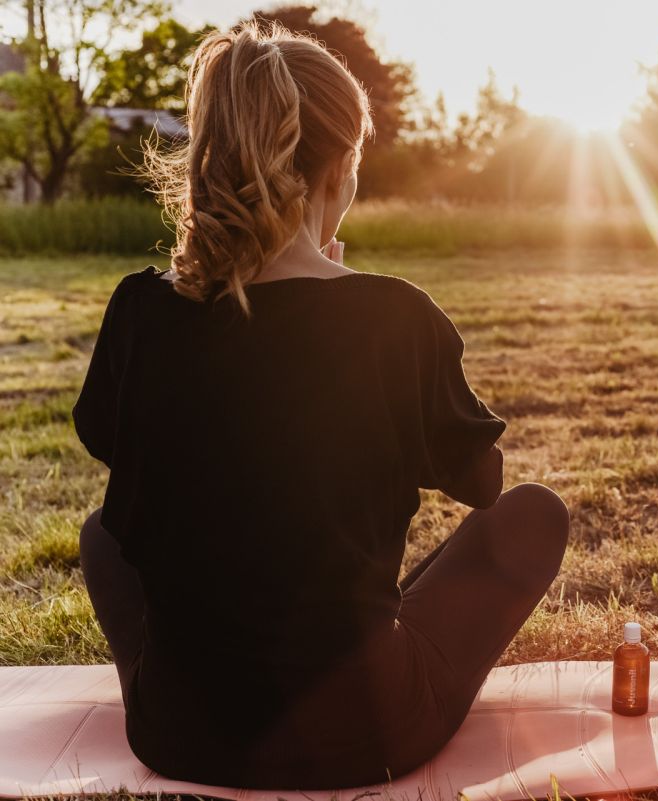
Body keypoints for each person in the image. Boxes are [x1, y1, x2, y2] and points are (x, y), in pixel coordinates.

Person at [72, 23, 569, 789]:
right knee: (536, 513)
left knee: (103, 534)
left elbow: (111, 440)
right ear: (340, 170)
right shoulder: (393, 318)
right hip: (364, 734)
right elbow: (486, 485)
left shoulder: (142, 309)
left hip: (175, 732)